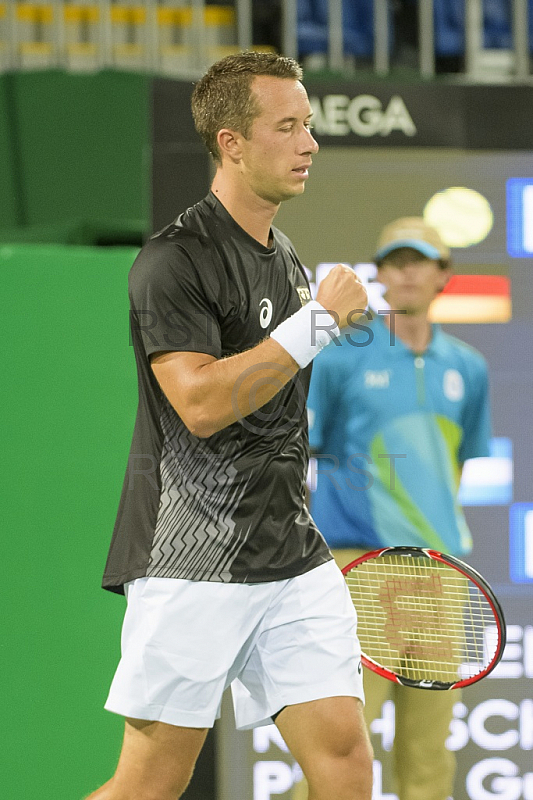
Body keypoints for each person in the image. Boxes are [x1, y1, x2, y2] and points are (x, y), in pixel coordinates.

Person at [86, 51, 373, 800]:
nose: (309, 143)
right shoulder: (172, 261)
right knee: (149, 784)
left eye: (308, 125)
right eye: (287, 127)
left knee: (343, 763)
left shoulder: (287, 261)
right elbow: (202, 403)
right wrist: (315, 327)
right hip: (192, 557)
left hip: (292, 556)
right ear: (231, 143)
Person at [293, 217, 491, 800]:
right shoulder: (340, 358)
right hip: (359, 569)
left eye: (418, 260)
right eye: (393, 261)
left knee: (428, 759)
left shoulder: (469, 367)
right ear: (379, 274)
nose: (404, 272)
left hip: (441, 573)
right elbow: (309, 449)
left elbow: (459, 466)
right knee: (342, 750)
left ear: (442, 274)